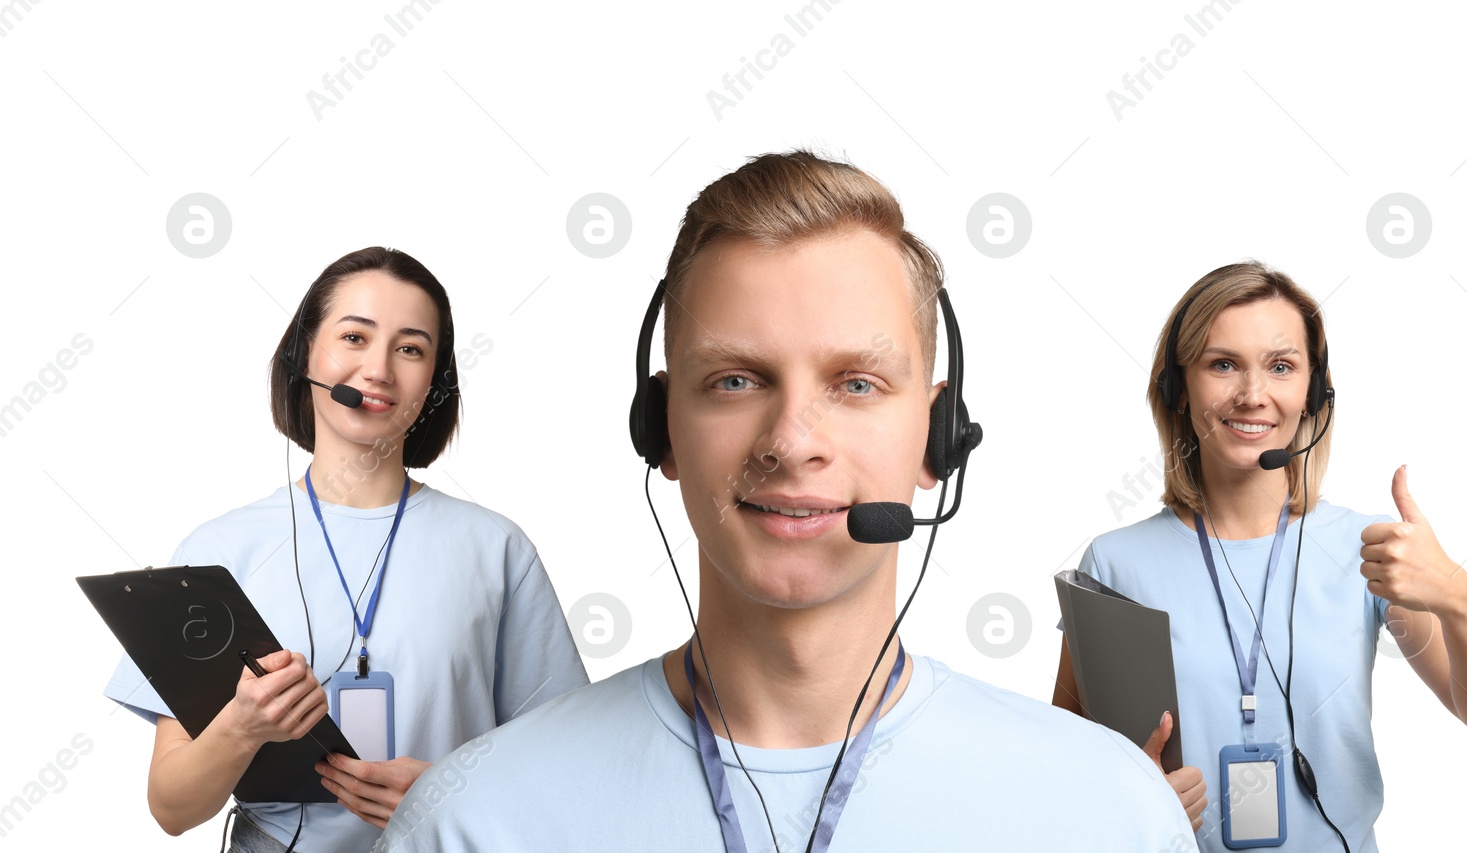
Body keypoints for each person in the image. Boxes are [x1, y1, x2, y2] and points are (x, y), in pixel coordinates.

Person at [375, 151, 1198, 851]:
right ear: (660, 427)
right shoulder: (471, 823)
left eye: (856, 383)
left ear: (937, 436)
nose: (792, 438)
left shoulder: (1109, 813)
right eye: (735, 379)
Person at [102, 247, 589, 852]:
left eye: (410, 348)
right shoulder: (218, 550)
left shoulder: (496, 549)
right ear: (303, 356)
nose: (379, 369)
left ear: (435, 379)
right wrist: (242, 726)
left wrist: (454, 796)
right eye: (354, 337)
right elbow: (172, 809)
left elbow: (570, 775)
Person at [1052, 261, 1467, 852]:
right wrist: (1133, 793)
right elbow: (1067, 763)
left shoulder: (1371, 549)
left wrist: (1456, 593)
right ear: (1177, 387)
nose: (1253, 395)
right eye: (1223, 364)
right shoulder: (1116, 563)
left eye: (1281, 366)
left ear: (1313, 392)